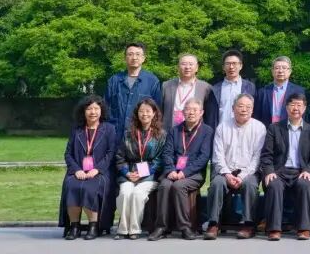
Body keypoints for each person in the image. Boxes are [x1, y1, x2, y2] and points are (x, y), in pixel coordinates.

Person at [259, 91, 310, 241]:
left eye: (299, 105)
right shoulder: (274, 128)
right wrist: (269, 171)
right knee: (274, 185)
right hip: (279, 171)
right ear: (286, 108)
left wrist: (309, 171)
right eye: (292, 105)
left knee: (305, 184)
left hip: (301, 171)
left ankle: (304, 228)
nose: (296, 108)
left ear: (304, 108)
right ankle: (274, 229)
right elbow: (266, 155)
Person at [148, 98, 213, 241]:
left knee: (179, 186)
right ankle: (161, 227)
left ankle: (185, 227)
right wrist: (171, 170)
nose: (191, 113)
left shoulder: (207, 131)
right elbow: (167, 153)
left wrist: (185, 172)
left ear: (201, 112)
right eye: (188, 109)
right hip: (172, 172)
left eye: (195, 110)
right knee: (164, 185)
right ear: (183, 112)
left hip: (193, 173)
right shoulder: (174, 130)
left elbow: (203, 157)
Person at [203, 93, 265, 240]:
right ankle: (214, 223)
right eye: (240, 106)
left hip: (248, 172)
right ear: (233, 108)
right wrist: (227, 174)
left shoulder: (259, 128)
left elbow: (257, 159)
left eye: (248, 107)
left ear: (252, 109)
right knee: (217, 184)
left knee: (250, 184)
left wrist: (242, 176)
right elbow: (218, 156)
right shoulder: (222, 127)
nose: (244, 110)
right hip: (226, 170)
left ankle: (248, 224)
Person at [60, 95, 118, 240]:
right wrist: (76, 170)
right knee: (71, 185)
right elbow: (68, 154)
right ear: (83, 111)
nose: (93, 112)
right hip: (78, 170)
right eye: (89, 109)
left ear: (101, 110)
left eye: (96, 108)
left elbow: (111, 153)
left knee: (90, 187)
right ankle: (74, 226)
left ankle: (94, 225)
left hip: (101, 171)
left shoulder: (109, 129)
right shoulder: (77, 130)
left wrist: (97, 169)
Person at [114, 97, 165, 240]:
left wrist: (142, 173)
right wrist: (127, 173)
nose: (145, 114)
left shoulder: (161, 135)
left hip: (149, 176)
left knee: (137, 194)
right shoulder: (128, 134)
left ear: (154, 113)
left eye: (148, 111)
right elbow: (119, 157)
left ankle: (134, 229)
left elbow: (159, 160)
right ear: (137, 113)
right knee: (125, 193)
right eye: (141, 111)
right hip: (129, 174)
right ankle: (123, 229)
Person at [104, 42, 162, 135]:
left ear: (143, 58)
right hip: (116, 133)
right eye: (130, 54)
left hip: (140, 135)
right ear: (125, 58)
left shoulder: (152, 81)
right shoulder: (114, 80)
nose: (134, 57)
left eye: (138, 54)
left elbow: (157, 110)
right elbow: (105, 107)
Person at [161, 53, 218, 131]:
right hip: (169, 131)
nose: (187, 67)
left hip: (195, 132)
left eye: (191, 64)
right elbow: (160, 110)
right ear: (178, 67)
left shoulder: (205, 88)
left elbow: (209, 114)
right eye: (184, 64)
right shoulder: (166, 86)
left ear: (197, 68)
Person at [253, 55, 306, 128]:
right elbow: (257, 115)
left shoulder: (298, 91)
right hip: (267, 130)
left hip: (289, 130)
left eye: (284, 68)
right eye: (277, 68)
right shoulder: (263, 92)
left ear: (290, 71)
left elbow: (302, 115)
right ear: (272, 71)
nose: (280, 71)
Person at [211, 49, 255, 128]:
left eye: (234, 63)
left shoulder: (250, 87)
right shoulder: (215, 89)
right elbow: (211, 115)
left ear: (240, 66)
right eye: (228, 64)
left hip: (244, 130)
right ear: (223, 67)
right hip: (221, 130)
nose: (231, 67)